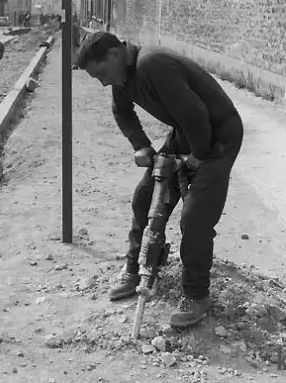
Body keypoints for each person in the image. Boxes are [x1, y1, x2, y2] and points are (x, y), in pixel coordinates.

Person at [74, 31, 244, 327]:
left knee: (195, 216)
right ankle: (137, 268)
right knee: (145, 197)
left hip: (218, 136)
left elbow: (196, 113)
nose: (102, 82)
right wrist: (141, 145)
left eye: (100, 73)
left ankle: (196, 294)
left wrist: (197, 158)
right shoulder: (123, 77)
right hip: (187, 133)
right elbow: (121, 111)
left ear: (114, 54)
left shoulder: (152, 65)